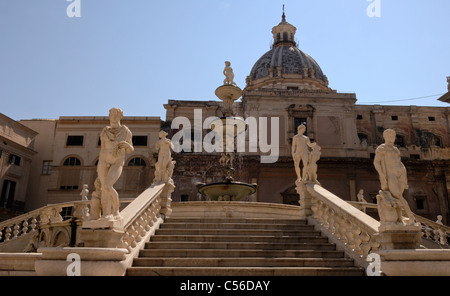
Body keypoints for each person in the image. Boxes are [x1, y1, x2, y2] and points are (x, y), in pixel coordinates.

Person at [97, 107, 134, 220]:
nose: (113, 116)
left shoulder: (125, 131)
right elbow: (102, 148)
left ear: (120, 116)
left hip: (117, 161)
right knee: (104, 188)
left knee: (108, 185)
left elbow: (130, 149)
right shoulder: (104, 131)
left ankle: (116, 210)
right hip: (103, 160)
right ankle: (106, 214)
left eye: (115, 114)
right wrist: (99, 165)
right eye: (111, 114)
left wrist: (127, 146)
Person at [374, 129, 415, 223]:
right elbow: (376, 162)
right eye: (389, 136)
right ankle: (410, 216)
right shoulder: (381, 148)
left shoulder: (396, 149)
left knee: (397, 197)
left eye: (393, 136)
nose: (392, 138)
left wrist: (405, 178)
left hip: (400, 174)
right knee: (398, 195)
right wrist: (382, 175)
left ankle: (400, 218)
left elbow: (400, 163)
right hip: (390, 174)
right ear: (385, 137)